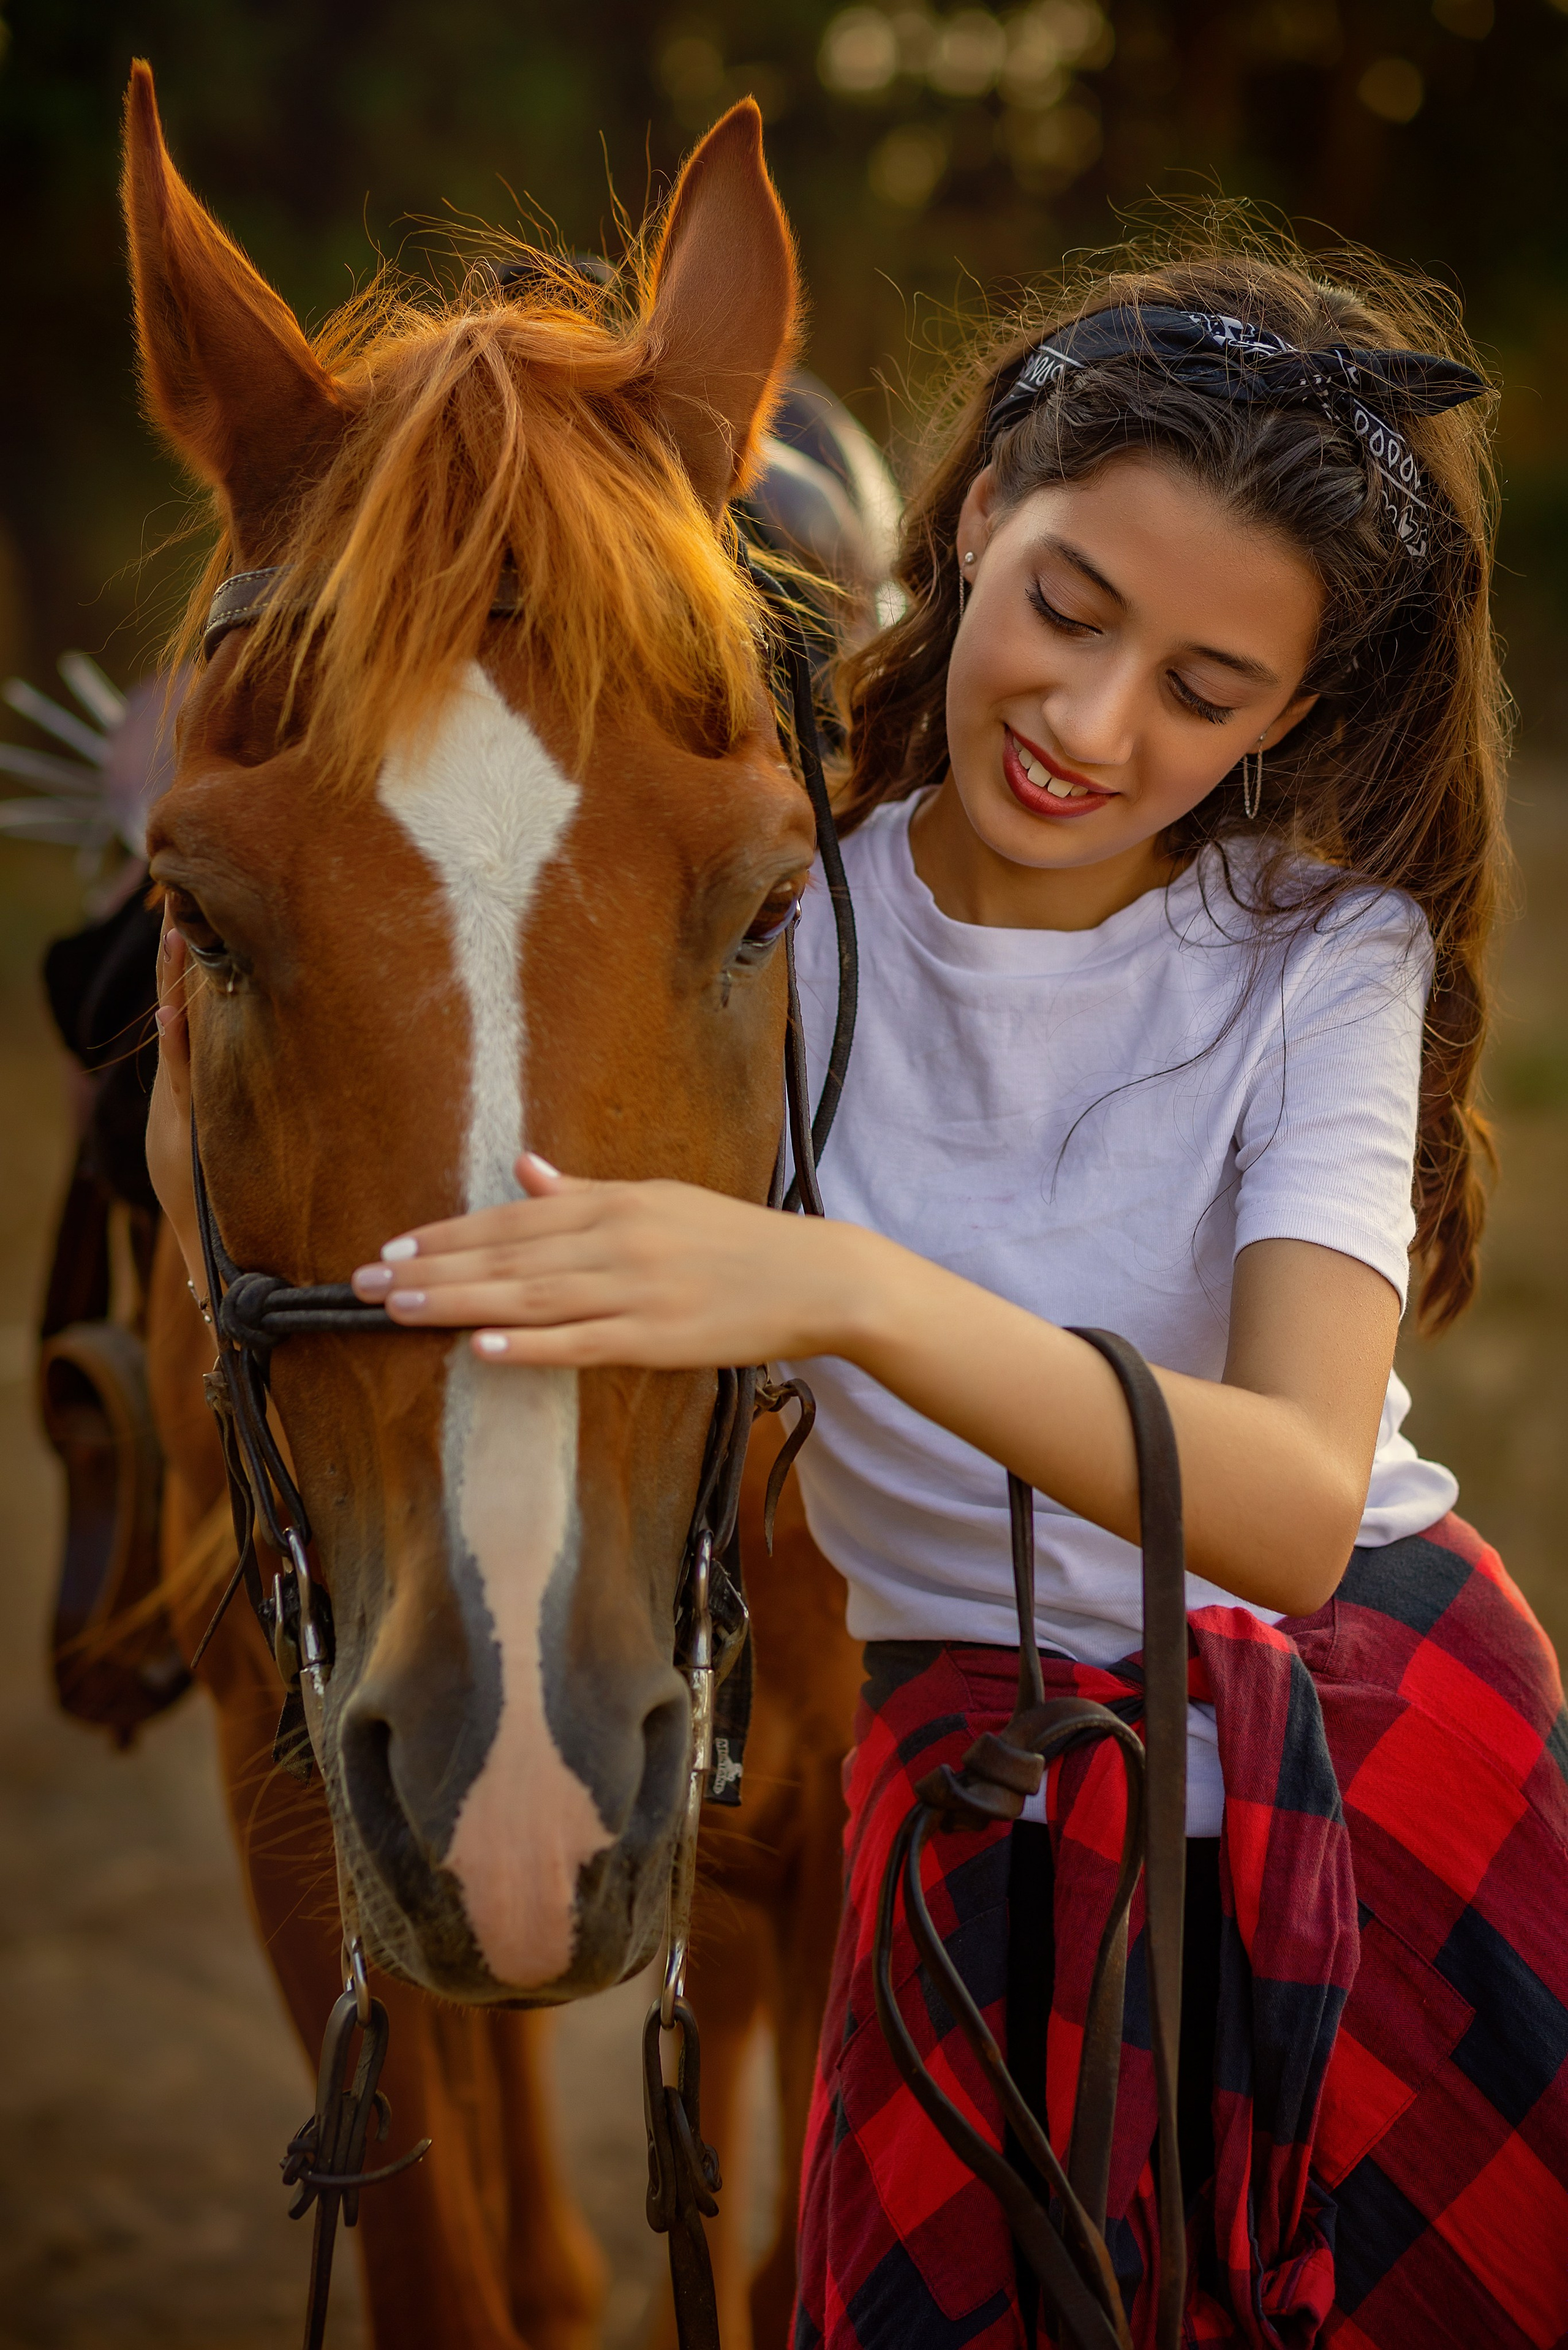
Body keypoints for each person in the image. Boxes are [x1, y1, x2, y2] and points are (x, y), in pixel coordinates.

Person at [150, 233, 1568, 2346]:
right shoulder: (782, 907)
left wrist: (836, 1284)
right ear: (978, 512)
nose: (1091, 724)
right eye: (1070, 612)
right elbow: (447, 968)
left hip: (1354, 1753)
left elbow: (1282, 1512)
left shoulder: (1319, 961)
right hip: (965, 1791)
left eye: (1205, 688)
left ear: (1306, 706)